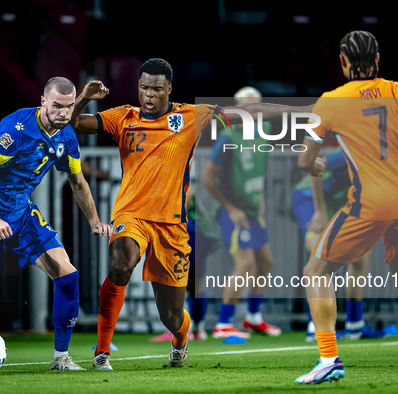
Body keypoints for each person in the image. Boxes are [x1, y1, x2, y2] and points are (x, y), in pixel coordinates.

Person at [69, 58, 312, 370]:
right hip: (131, 215)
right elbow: (76, 124)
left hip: (171, 225)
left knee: (171, 315)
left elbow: (250, 113)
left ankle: (181, 339)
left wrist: (304, 111)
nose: (149, 94)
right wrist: (84, 97)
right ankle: (102, 351)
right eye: (143, 87)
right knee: (121, 262)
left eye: (156, 88)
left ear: (169, 88)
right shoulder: (123, 118)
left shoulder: (190, 116)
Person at [295, 31, 398, 385]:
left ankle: (329, 358)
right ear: (378, 60)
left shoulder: (330, 101)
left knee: (315, 272)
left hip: (369, 201)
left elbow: (305, 161)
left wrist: (313, 167)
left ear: (343, 62)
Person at [0, 77, 112, 371]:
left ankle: (61, 358)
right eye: (56, 106)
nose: (64, 113)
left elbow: (77, 182)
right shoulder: (16, 130)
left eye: (68, 107)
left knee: (68, 276)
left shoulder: (66, 137)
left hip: (22, 214)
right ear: (42, 101)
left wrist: (95, 221)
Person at [202, 86, 280, 338]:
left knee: (265, 262)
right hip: (233, 212)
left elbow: (258, 172)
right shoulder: (228, 136)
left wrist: (261, 207)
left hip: (254, 211)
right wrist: (230, 208)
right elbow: (208, 178)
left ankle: (253, 318)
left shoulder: (266, 131)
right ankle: (223, 323)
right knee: (245, 263)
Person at [292, 148, 377, 341]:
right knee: (320, 254)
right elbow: (316, 164)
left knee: (362, 255)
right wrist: (320, 210)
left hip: (342, 202)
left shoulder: (386, 155)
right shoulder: (355, 151)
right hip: (311, 197)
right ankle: (316, 326)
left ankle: (355, 325)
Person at [150, 185, 219, 342]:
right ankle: (196, 329)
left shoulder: (175, 173)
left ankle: (178, 327)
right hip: (199, 236)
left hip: (192, 235)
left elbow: (187, 196)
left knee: (176, 281)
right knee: (194, 286)